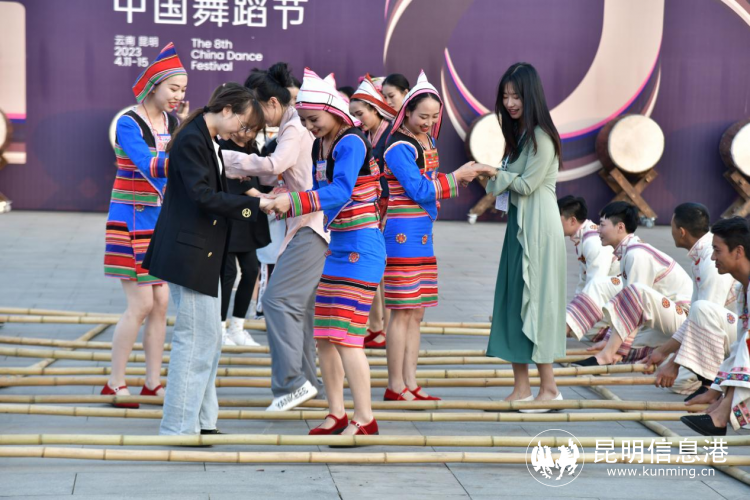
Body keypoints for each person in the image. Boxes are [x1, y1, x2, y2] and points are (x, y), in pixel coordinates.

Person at [142, 83, 270, 436]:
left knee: (208, 339)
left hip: (202, 250)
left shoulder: (206, 137)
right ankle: (178, 427)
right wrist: (255, 206)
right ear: (227, 110)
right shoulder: (192, 139)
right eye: (243, 124)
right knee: (195, 341)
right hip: (190, 251)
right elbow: (202, 195)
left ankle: (202, 421)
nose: (243, 133)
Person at [221, 63, 326, 411]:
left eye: (254, 108)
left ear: (272, 103)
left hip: (312, 224)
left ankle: (292, 384)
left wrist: (224, 159)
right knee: (300, 309)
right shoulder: (289, 126)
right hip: (308, 223)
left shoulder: (293, 127)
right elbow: (279, 175)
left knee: (278, 301)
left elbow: (273, 166)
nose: (250, 117)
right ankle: (307, 383)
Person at [381, 71, 484, 402]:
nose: (428, 122)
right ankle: (395, 385)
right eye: (422, 116)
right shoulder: (398, 146)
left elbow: (428, 183)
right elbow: (419, 189)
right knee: (402, 309)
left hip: (421, 230)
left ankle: (410, 383)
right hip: (401, 232)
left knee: (416, 311)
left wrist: (453, 179)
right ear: (407, 112)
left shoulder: (427, 141)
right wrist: (456, 177)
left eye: (434, 116)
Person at [474, 63, 566, 412]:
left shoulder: (542, 137)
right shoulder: (521, 136)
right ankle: (522, 387)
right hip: (520, 225)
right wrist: (495, 173)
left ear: (532, 96)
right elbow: (511, 181)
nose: (510, 103)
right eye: (505, 96)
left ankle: (550, 388)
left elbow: (526, 185)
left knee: (537, 303)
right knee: (514, 300)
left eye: (516, 96)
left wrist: (489, 171)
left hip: (539, 228)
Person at [102, 42, 188, 408]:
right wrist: (193, 165)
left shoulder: (173, 123)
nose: (178, 96)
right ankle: (115, 382)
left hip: (159, 220)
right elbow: (146, 163)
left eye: (183, 90)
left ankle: (152, 382)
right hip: (129, 218)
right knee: (140, 304)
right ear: (153, 85)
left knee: (162, 302)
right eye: (173, 88)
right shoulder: (128, 122)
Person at [571, 202, 693, 367]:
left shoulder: (636, 254)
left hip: (684, 318)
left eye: (602, 225)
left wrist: (613, 347)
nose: (598, 230)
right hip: (667, 316)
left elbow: (634, 304)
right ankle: (614, 351)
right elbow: (627, 304)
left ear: (620, 227)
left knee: (634, 297)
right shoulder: (629, 251)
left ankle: (607, 356)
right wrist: (610, 340)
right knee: (631, 348)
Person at [641, 204, 737, 399]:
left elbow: (704, 317)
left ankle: (711, 385)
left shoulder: (710, 260)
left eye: (672, 227)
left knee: (678, 378)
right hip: (726, 330)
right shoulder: (702, 257)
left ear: (682, 231)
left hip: (736, 335)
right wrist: (663, 352)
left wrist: (673, 363)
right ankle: (712, 378)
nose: (714, 256)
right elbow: (695, 317)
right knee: (675, 378)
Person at [683, 217, 750, 436]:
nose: (712, 257)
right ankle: (722, 409)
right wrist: (715, 391)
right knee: (743, 343)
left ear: (738, 251)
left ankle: (722, 415)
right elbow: (739, 346)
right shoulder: (743, 289)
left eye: (717, 251)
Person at [349, 74, 398, 349]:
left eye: (361, 114)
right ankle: (375, 326)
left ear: (375, 109)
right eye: (355, 115)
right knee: (373, 270)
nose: (358, 119)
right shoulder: (364, 134)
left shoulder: (391, 134)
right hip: (373, 205)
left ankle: (387, 330)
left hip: (391, 206)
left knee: (386, 271)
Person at [217, 108, 271, 346]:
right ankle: (219, 328)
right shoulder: (221, 146)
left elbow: (259, 177)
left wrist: (268, 194)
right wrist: (260, 196)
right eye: (247, 127)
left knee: (250, 271)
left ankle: (237, 327)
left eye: (254, 129)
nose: (249, 133)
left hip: (249, 218)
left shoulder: (253, 147)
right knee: (227, 274)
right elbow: (231, 182)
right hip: (229, 216)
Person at [558, 195, 618, 341]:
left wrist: (571, 320)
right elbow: (584, 282)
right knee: (575, 327)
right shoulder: (584, 236)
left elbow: (595, 286)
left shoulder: (593, 241)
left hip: (617, 295)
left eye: (556, 219)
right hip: (608, 293)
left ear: (572, 220)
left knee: (581, 331)